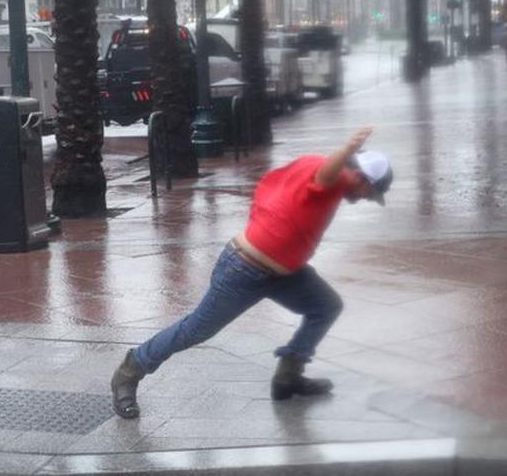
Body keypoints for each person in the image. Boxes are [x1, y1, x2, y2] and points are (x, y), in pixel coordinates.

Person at [110, 128, 393, 418]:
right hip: (244, 271)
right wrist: (347, 148)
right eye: (370, 193)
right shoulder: (331, 176)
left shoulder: (313, 164)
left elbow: (274, 187)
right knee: (196, 329)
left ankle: (288, 376)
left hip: (284, 273)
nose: (366, 199)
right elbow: (326, 173)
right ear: (360, 177)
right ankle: (130, 370)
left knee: (326, 306)